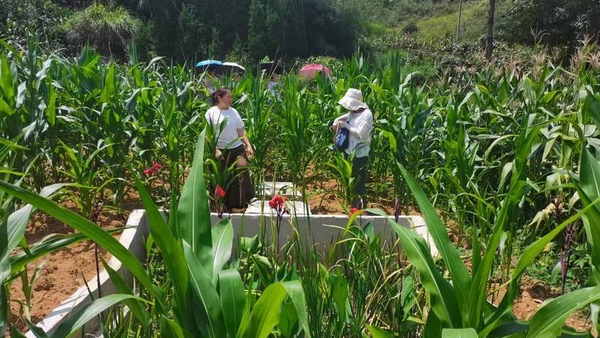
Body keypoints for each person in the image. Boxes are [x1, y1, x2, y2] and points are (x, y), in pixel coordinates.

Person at [205, 87, 255, 209]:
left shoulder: (234, 112)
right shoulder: (211, 113)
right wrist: (215, 149)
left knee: (241, 170)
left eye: (231, 97)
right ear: (219, 98)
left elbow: (241, 131)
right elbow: (208, 134)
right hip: (220, 149)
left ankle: (240, 203)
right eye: (228, 97)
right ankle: (219, 203)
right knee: (220, 177)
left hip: (236, 147)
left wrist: (248, 146)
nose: (230, 99)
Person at [333, 88, 373, 209]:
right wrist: (337, 121)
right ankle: (352, 206)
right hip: (349, 151)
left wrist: (347, 126)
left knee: (358, 182)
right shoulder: (353, 112)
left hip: (359, 153)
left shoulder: (367, 115)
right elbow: (344, 117)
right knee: (349, 180)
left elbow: (362, 135)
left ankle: (360, 207)